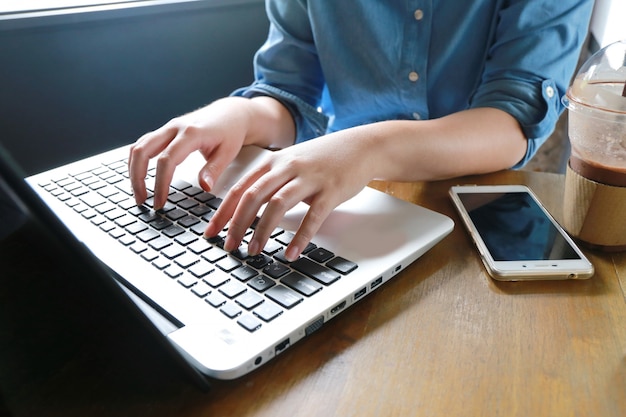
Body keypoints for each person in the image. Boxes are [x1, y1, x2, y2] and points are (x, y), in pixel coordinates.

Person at [128, 0, 594, 262]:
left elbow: (511, 120)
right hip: (340, 193)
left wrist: (368, 148)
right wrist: (238, 114)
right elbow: (289, 92)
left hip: (482, 203)